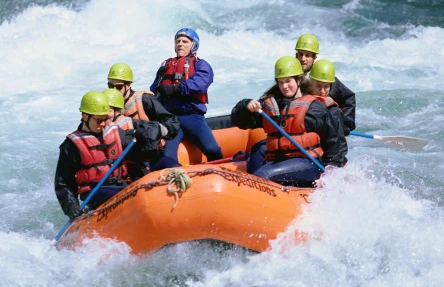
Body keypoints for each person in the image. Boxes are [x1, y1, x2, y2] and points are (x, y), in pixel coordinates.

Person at [231, 56, 347, 187]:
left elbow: (333, 140)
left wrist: (332, 169)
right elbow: (240, 122)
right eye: (280, 82)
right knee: (257, 154)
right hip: (279, 161)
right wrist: (245, 106)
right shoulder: (270, 105)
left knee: (262, 176)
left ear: (298, 80)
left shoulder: (314, 108)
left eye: (288, 81)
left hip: (308, 163)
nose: (284, 86)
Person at [54, 91, 166, 221]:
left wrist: (145, 139)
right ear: (85, 117)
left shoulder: (114, 131)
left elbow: (139, 153)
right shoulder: (71, 146)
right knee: (127, 193)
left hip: (122, 185)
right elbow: (63, 182)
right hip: (96, 193)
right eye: (99, 120)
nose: (103, 124)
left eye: (105, 119)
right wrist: (71, 207)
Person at [150, 28, 223, 163]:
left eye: (185, 41)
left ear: (193, 45)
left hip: (192, 116)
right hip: (171, 119)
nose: (180, 44)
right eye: (178, 41)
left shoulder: (201, 64)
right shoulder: (166, 66)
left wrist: (176, 89)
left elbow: (200, 83)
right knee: (168, 156)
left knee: (212, 149)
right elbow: (154, 90)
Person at [294, 33, 356, 135]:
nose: (303, 59)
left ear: (314, 58)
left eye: (307, 55)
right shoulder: (291, 78)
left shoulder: (323, 75)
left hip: (323, 128)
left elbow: (348, 97)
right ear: (296, 55)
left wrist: (346, 123)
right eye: (300, 54)